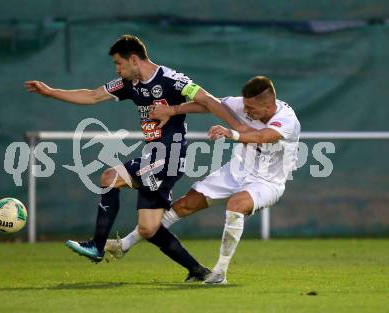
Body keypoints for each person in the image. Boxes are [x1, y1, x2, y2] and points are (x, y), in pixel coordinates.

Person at [24, 35, 247, 282]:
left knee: (110, 177)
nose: (117, 69)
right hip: (155, 156)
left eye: (118, 63)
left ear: (133, 59)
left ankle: (97, 245)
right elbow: (93, 95)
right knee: (148, 228)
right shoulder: (128, 83)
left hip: (169, 154)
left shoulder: (171, 80)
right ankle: (201, 272)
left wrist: (238, 127)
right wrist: (52, 92)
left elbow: (206, 100)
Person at [105, 76, 301, 284]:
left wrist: (230, 133)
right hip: (234, 172)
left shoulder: (287, 119)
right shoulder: (243, 105)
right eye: (245, 106)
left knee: (236, 205)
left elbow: (263, 137)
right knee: (183, 205)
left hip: (267, 182)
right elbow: (209, 104)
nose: (246, 111)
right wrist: (171, 110)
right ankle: (123, 245)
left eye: (251, 108)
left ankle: (219, 272)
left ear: (269, 106)